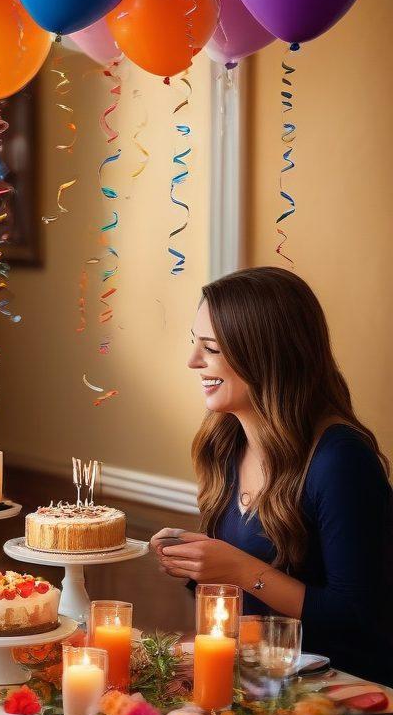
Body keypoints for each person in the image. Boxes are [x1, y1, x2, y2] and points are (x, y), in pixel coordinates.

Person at [152, 266, 393, 684]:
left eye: (211, 348)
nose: (193, 361)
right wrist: (196, 561)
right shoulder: (224, 443)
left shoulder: (340, 460)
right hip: (259, 683)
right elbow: (245, 603)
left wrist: (240, 569)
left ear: (265, 356)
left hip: (342, 693)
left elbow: (358, 616)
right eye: (195, 343)